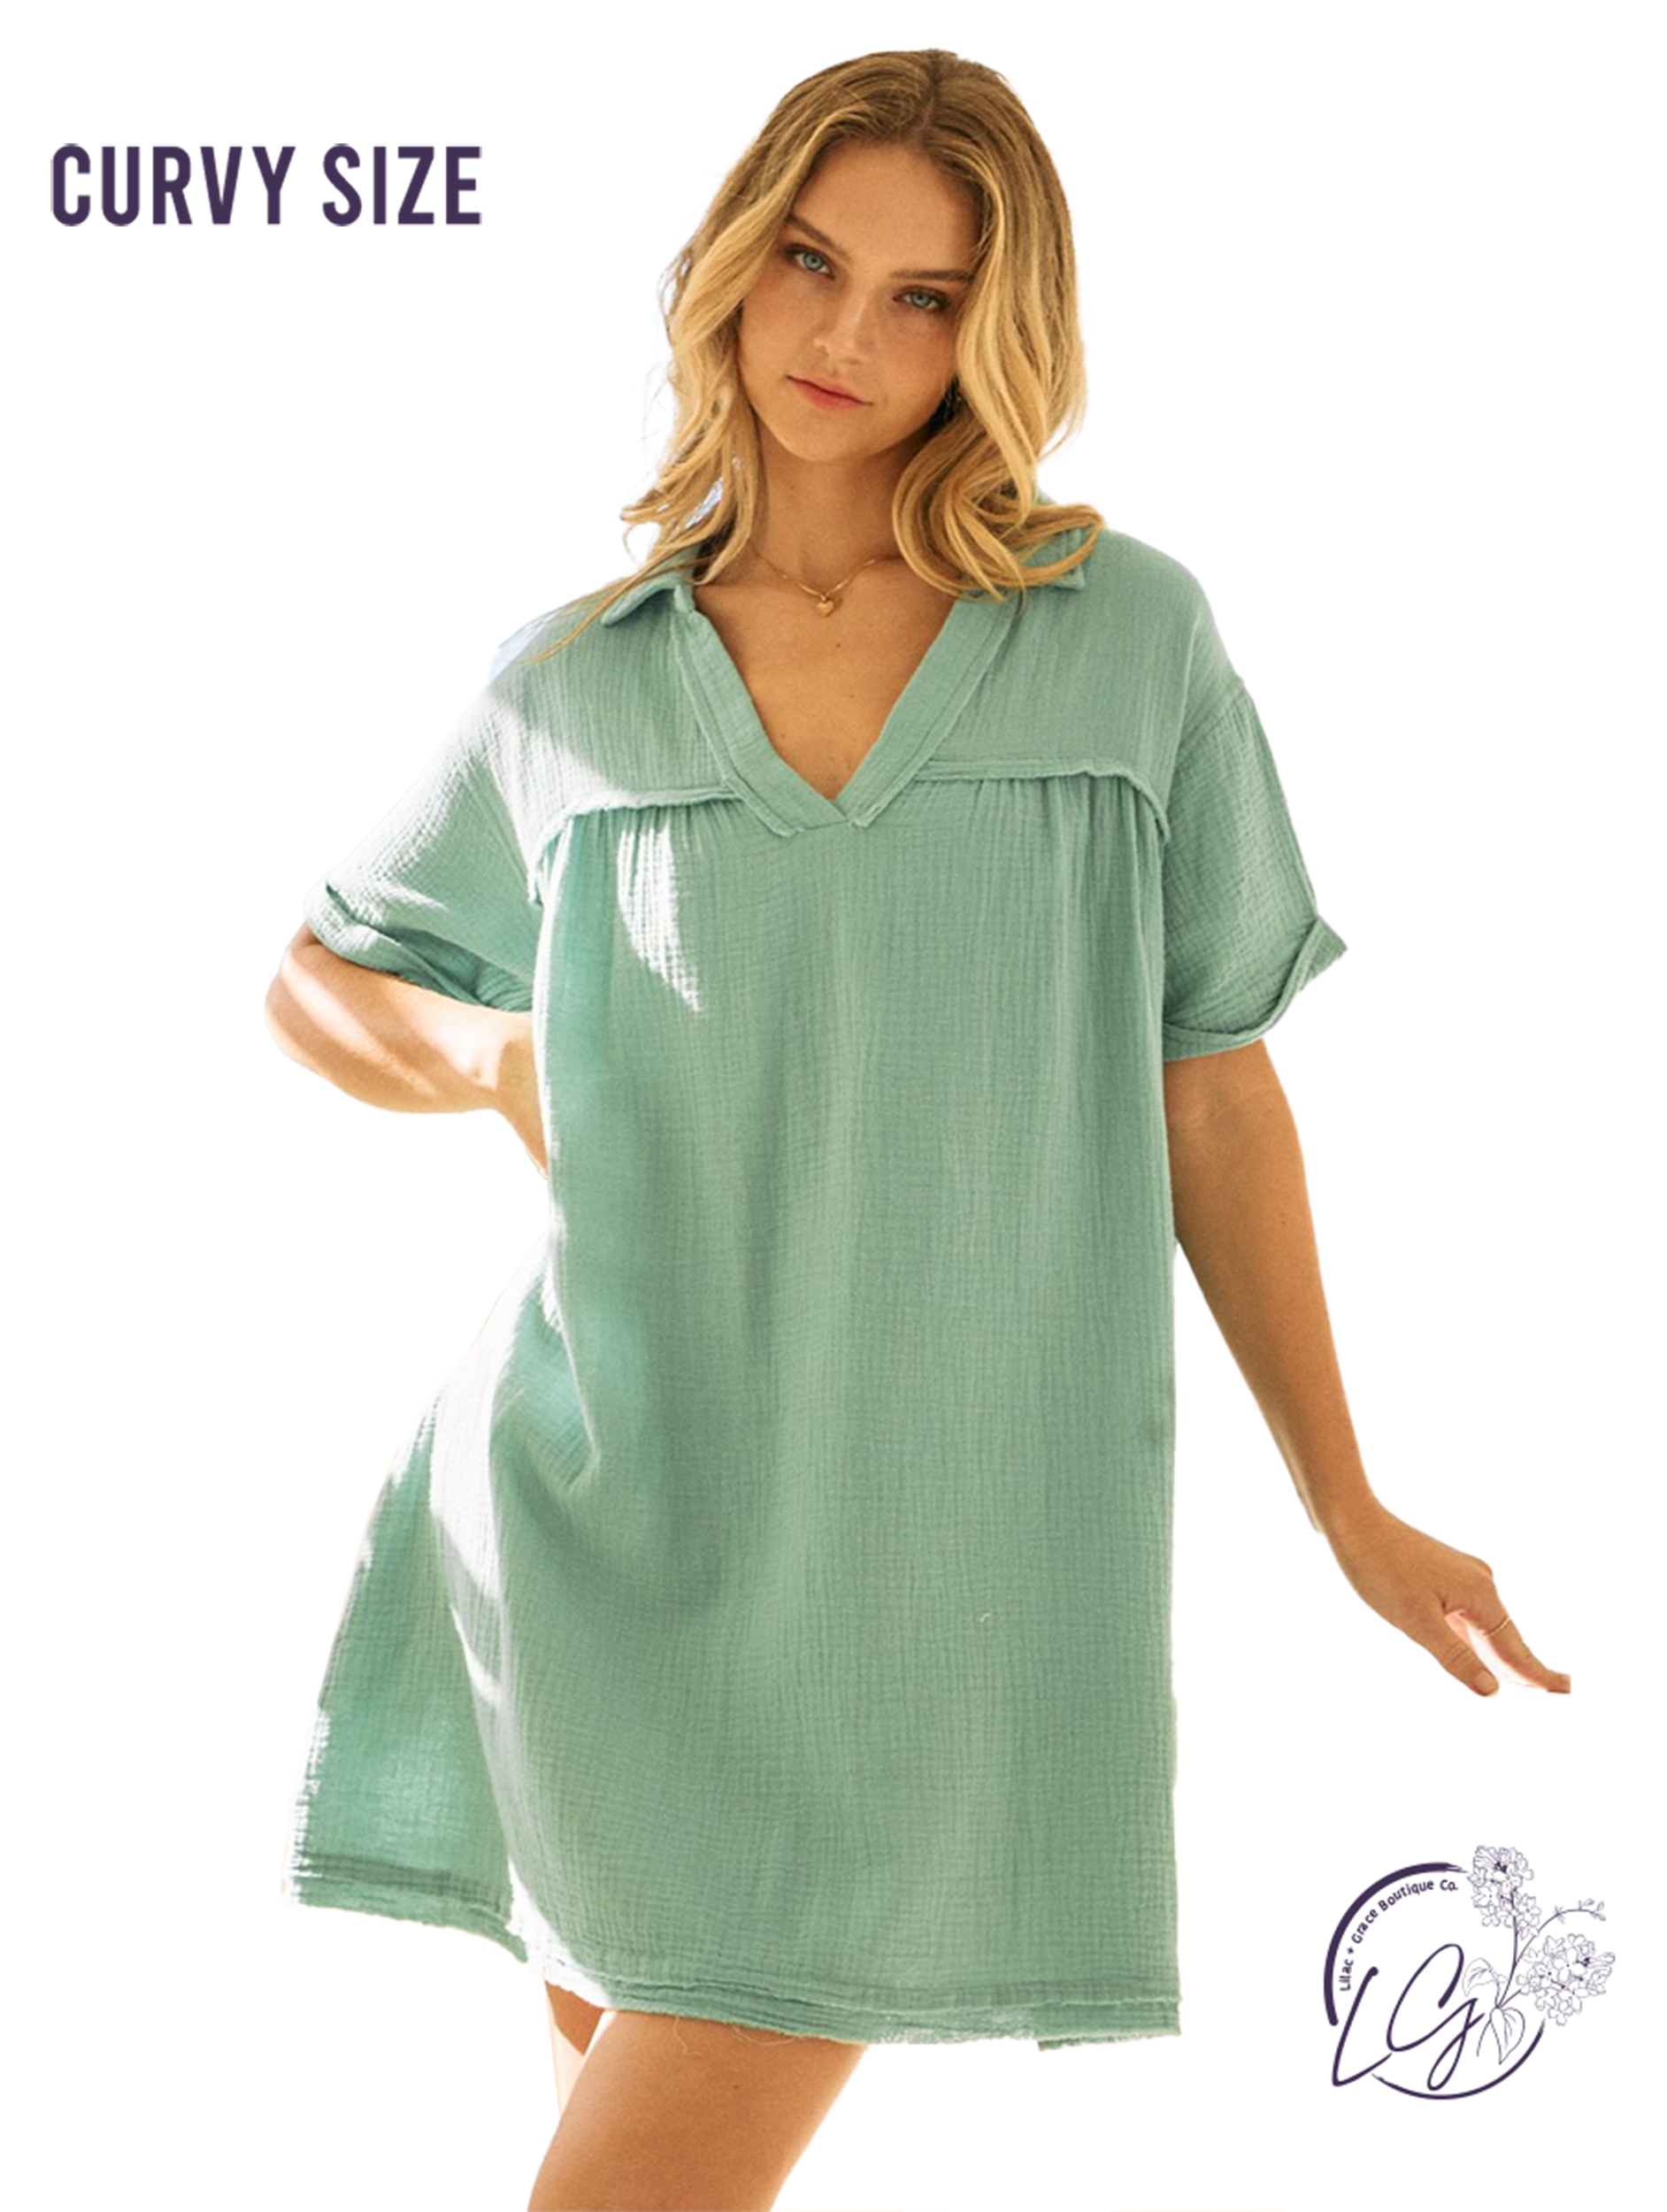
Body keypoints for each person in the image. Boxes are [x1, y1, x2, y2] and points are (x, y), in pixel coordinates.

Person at [265, 46, 1572, 2212]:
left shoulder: (1125, 641)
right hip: (610, 1520)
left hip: (938, 1572)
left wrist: (1344, 1496)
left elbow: (1213, 1083)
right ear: (732, 261)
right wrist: (496, 1062)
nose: (845, 335)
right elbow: (320, 977)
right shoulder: (577, 678)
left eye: (924, 295)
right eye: (809, 259)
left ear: (997, 329)